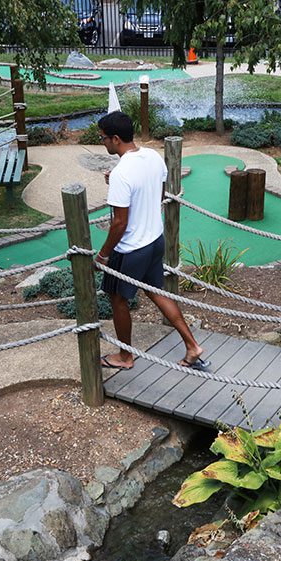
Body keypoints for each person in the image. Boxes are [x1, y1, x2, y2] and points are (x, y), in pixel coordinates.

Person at [94, 111, 207, 371]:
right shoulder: (153, 157)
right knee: (155, 291)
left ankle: (125, 356)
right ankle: (192, 346)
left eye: (103, 138)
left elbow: (119, 223)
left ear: (115, 139)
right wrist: (117, 183)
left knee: (117, 299)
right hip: (155, 241)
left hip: (131, 249)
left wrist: (103, 255)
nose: (102, 143)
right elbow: (159, 193)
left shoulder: (122, 173)